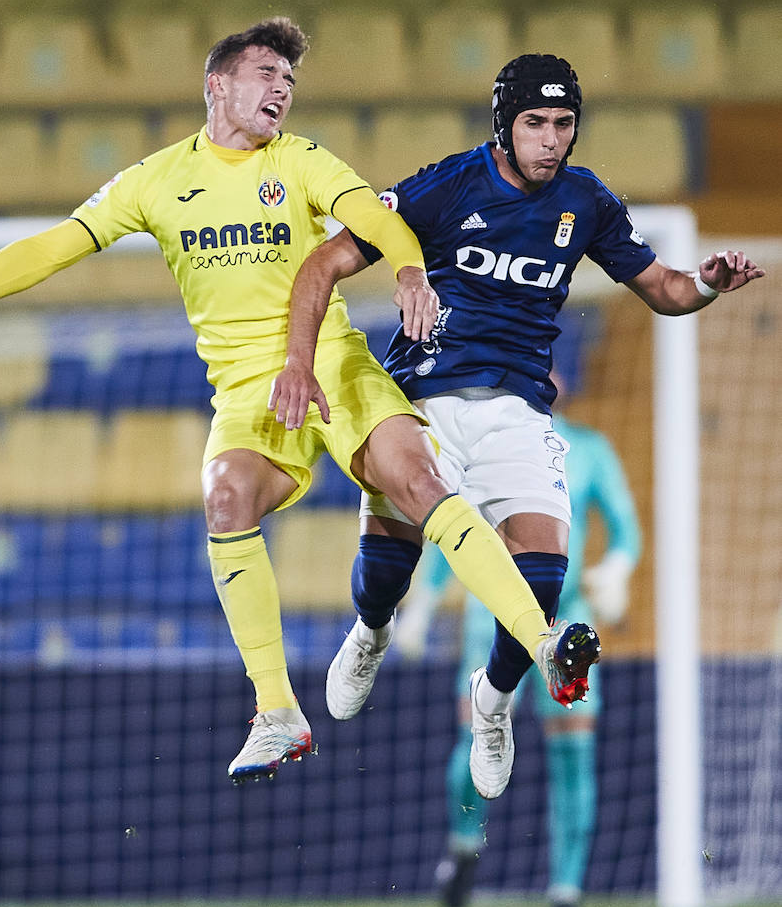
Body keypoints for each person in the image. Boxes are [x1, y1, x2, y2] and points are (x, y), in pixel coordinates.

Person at [0, 21, 587, 785]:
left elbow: (382, 221)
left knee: (421, 483)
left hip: (331, 364)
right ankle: (279, 712)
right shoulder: (154, 180)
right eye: (265, 73)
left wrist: (412, 271)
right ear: (216, 85)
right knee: (224, 499)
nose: (281, 89)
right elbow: (60, 242)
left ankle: (542, 643)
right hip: (250, 391)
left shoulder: (302, 160)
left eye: (289, 79)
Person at [270, 52, 764, 805]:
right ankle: (369, 633)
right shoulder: (448, 185)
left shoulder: (586, 202)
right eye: (536, 123)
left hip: (519, 409)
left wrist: (706, 283)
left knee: (543, 574)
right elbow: (323, 264)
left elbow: (661, 288)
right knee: (389, 574)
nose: (552, 140)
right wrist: (299, 364)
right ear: (505, 123)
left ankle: (493, 701)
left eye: (564, 124)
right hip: (422, 400)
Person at [396, 369, 642, 907]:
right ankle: (463, 845)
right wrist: (423, 608)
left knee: (572, 750)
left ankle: (566, 890)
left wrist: (619, 569)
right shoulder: (483, 448)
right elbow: (453, 530)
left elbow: (626, 528)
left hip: (568, 617)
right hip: (492, 616)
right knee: (474, 736)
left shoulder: (590, 450)